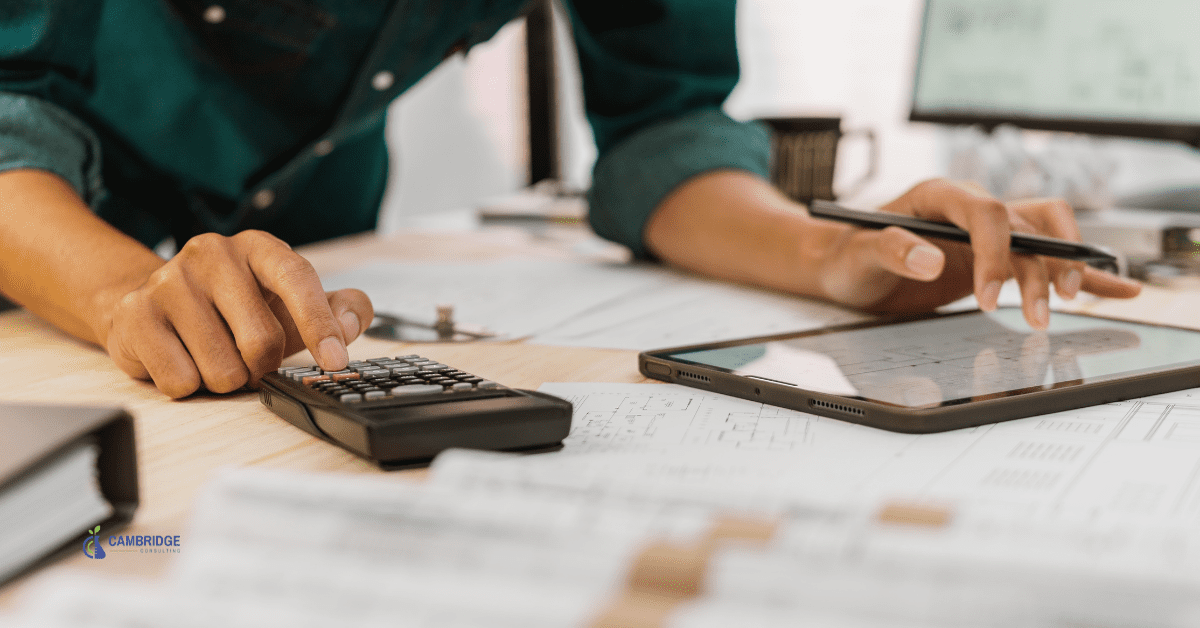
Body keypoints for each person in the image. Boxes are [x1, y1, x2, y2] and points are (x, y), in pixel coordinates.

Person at [0, 0, 1141, 398]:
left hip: (312, 245)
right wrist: (123, 291)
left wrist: (832, 257)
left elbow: (663, 129)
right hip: (41, 251)